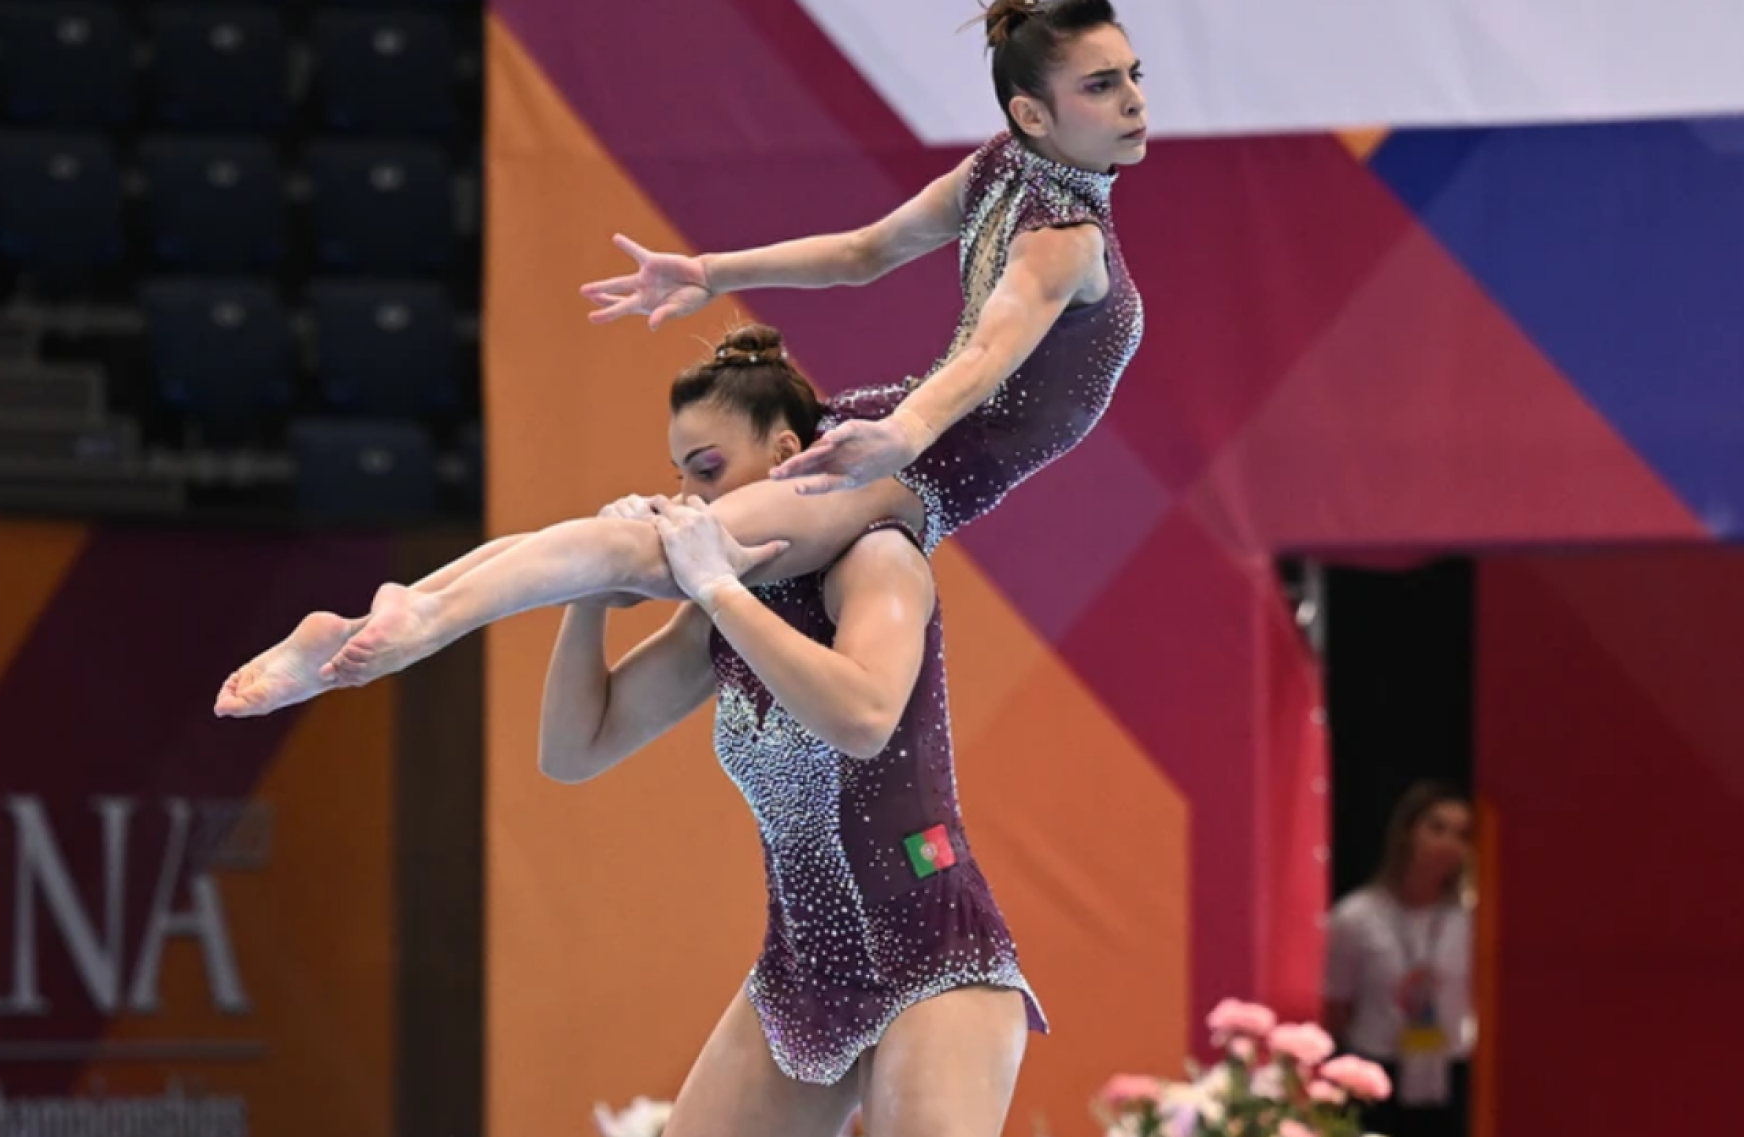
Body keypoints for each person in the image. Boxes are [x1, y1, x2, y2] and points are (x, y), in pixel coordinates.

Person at [215, 0, 1147, 719]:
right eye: (1101, 85)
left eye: (1131, 76)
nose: (1134, 100)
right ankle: (418, 621)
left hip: (899, 437)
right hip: (914, 469)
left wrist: (716, 273)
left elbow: (869, 260)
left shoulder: (1006, 171)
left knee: (634, 558)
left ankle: (387, 613)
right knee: (653, 554)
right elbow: (980, 342)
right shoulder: (1058, 236)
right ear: (1032, 109)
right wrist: (722, 280)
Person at [539, 323, 1046, 1137]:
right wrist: (588, 593)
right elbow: (573, 749)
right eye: (679, 478)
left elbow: (865, 713)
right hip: (804, 968)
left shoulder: (876, 558)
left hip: (936, 957)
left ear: (785, 454)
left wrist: (713, 588)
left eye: (708, 471)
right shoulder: (719, 615)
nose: (694, 503)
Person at [1323, 782, 1476, 1137]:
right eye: (1437, 828)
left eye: (1461, 835)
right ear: (1408, 831)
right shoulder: (1356, 917)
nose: (1447, 843)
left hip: (1451, 1072)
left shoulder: (1472, 917)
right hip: (1379, 1069)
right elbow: (1336, 1007)